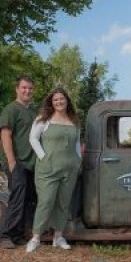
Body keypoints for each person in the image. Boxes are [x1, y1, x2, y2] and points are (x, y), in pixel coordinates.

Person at [26, 87, 81, 253]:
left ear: (67, 101)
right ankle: (36, 238)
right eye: (55, 100)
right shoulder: (43, 119)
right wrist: (43, 157)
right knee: (46, 201)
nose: (59, 102)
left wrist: (79, 160)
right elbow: (33, 139)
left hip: (69, 168)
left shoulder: (74, 120)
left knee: (63, 203)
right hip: (47, 169)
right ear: (51, 102)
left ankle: (58, 236)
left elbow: (77, 143)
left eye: (62, 99)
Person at [0, 75, 37, 249]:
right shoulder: (11, 109)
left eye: (29, 88)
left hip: (31, 162)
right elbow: (5, 135)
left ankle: (18, 234)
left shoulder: (32, 111)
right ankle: (6, 235)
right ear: (17, 89)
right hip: (17, 162)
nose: (27, 91)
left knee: (27, 199)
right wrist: (11, 161)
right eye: (24, 88)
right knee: (16, 198)